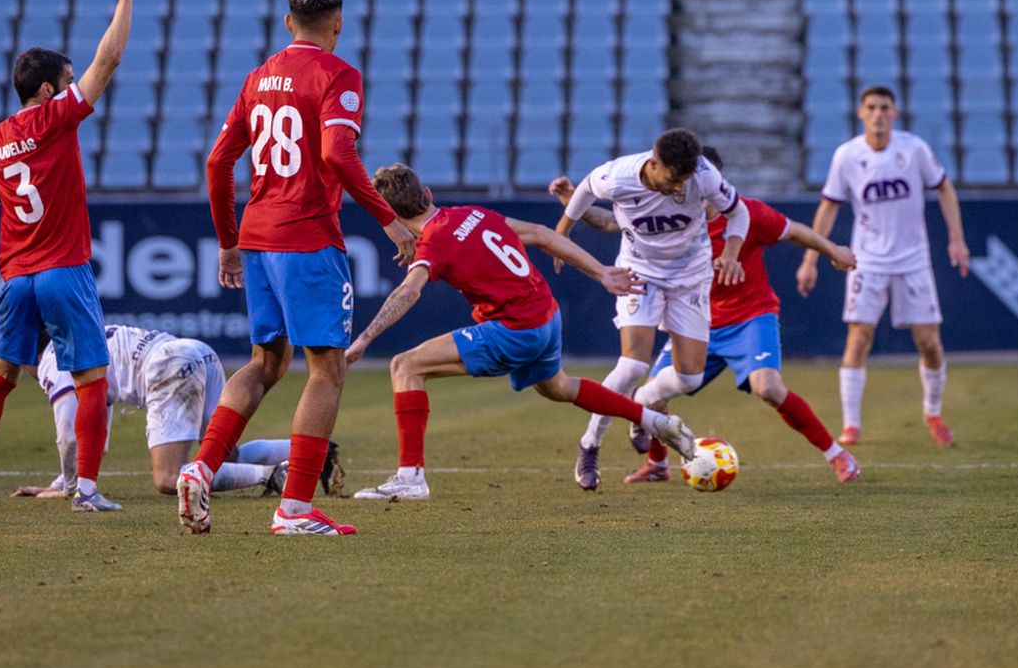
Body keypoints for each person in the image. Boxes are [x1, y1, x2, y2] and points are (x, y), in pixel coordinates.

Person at [187, 0, 415, 537]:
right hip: (307, 237)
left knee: (265, 363)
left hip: (260, 239)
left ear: (288, 22)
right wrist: (389, 220)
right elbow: (337, 152)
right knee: (326, 368)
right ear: (338, 23)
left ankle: (202, 465)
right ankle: (293, 508)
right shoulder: (339, 75)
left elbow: (218, 164)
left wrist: (228, 240)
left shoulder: (258, 76)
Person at [346, 165, 699, 503]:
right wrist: (601, 272)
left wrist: (364, 338)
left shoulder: (433, 243)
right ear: (427, 193)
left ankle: (410, 477)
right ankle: (657, 421)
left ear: (389, 217)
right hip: (546, 315)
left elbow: (407, 292)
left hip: (515, 329)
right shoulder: (473, 214)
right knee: (559, 387)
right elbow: (542, 235)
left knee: (405, 366)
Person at [0, 0, 134, 513]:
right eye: (69, 81)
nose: (77, 86)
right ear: (50, 90)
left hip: (16, 277)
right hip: (62, 270)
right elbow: (110, 59)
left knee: (0, 374)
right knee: (92, 377)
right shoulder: (56, 119)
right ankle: (88, 490)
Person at [549, 158, 862, 485]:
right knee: (653, 392)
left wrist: (832, 251)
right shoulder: (674, 212)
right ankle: (657, 464)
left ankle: (836, 454)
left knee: (767, 386)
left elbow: (794, 231)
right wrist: (573, 204)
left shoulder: (746, 212)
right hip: (699, 318)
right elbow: (614, 221)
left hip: (749, 317)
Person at [555, 129, 751, 490]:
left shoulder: (703, 175)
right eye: (674, 179)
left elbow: (739, 214)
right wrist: (562, 232)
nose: (681, 188)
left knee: (690, 377)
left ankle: (642, 405)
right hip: (639, 273)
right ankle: (590, 445)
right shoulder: (619, 175)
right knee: (632, 365)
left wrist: (731, 252)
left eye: (686, 180)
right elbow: (584, 188)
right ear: (655, 164)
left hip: (691, 277)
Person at [796, 86, 970, 448]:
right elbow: (829, 207)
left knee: (929, 342)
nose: (877, 113)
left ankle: (933, 412)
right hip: (868, 259)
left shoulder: (914, 149)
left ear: (895, 113)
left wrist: (957, 238)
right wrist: (810, 258)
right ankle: (852, 426)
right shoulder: (847, 156)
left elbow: (944, 187)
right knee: (858, 338)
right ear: (861, 113)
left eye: (884, 107)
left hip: (913, 259)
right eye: (871, 107)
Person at [12, 325, 342, 501]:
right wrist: (61, 481)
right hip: (197, 352)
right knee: (226, 453)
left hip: (169, 366)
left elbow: (69, 434)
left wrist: (69, 487)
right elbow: (93, 438)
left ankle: (272, 475)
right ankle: (317, 453)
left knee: (169, 480)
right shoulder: (80, 335)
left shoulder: (52, 360)